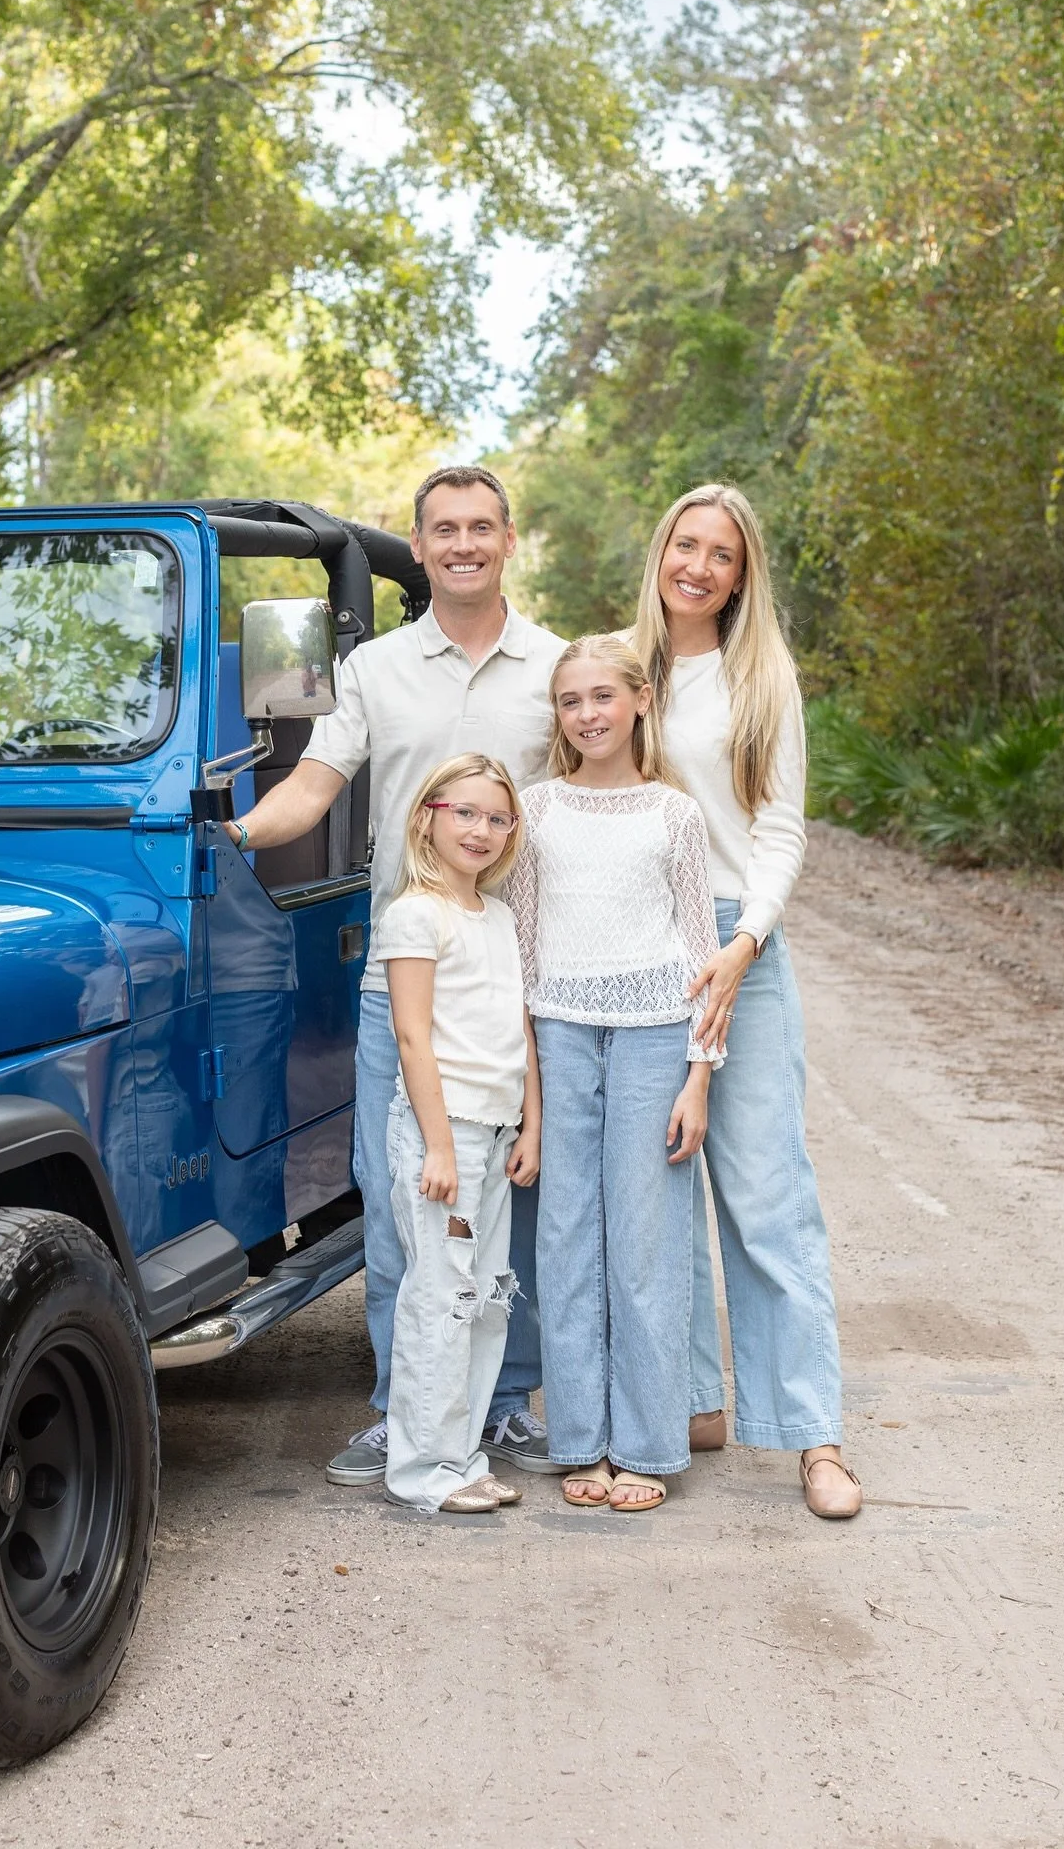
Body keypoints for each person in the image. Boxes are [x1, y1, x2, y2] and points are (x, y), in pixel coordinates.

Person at [222, 464, 565, 1485]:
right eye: (443, 529)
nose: (463, 543)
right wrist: (230, 833)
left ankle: (502, 1405)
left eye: (481, 527)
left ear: (510, 540)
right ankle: (403, 1410)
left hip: (513, 979)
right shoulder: (373, 668)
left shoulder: (553, 666)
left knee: (516, 1200)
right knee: (397, 1196)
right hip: (401, 984)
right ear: (418, 547)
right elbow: (311, 791)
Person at [623, 482, 861, 1519]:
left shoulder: (763, 677)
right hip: (633, 941)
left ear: (742, 573)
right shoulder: (619, 668)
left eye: (723, 553)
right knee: (657, 1187)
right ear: (662, 551)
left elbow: (782, 828)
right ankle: (691, 1401)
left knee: (767, 1199)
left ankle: (814, 1435)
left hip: (737, 938)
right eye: (688, 544)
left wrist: (743, 945)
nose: (701, 566)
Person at [507, 636, 721, 1511]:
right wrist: (531, 1103)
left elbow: (703, 951)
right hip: (559, 1033)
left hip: (653, 1037)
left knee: (646, 1242)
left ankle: (646, 1443)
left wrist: (699, 1075)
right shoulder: (535, 811)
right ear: (558, 716)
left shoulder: (674, 815)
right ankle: (581, 1441)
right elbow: (519, 960)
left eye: (603, 696)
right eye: (570, 702)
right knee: (562, 1241)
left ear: (637, 701)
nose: (589, 715)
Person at [378, 754, 541, 1513]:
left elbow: (518, 1030)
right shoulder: (415, 913)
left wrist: (530, 1125)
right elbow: (412, 1037)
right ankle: (421, 1471)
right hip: (442, 1138)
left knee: (483, 1302)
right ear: (428, 817)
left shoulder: (501, 916)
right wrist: (438, 1144)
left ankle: (462, 1457)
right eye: (465, 813)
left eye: (498, 817)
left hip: (497, 1132)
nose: (481, 830)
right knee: (440, 1299)